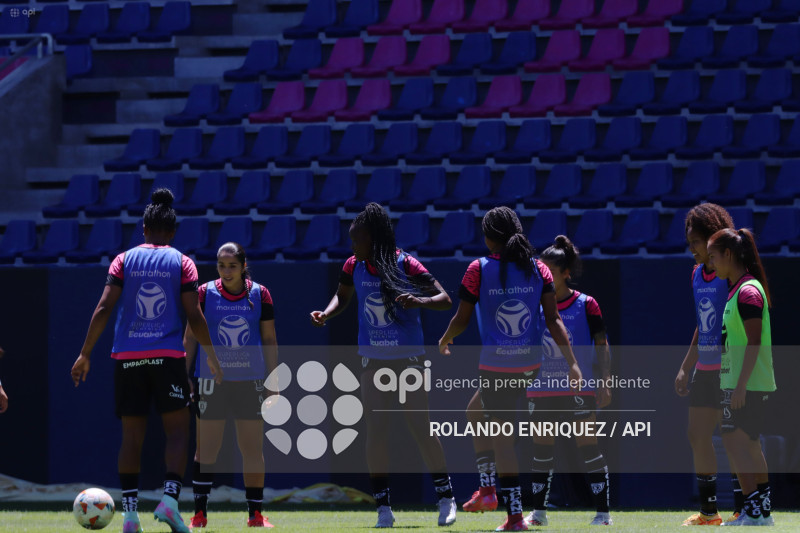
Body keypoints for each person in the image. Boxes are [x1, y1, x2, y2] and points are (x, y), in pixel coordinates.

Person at [71, 189, 223, 533]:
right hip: (168, 357)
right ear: (172, 232)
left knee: (131, 436)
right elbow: (194, 316)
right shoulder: (182, 262)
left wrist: (84, 354)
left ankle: (129, 516)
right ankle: (169, 502)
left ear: (143, 228)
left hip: (128, 359)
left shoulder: (122, 260)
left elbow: (104, 308)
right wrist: (212, 356)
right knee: (179, 431)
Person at [309, 203, 457, 529]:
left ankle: (446, 498)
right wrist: (327, 312)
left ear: (373, 240)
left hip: (409, 361)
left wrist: (420, 300)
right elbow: (342, 297)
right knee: (376, 432)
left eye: (357, 241)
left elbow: (445, 299)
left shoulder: (406, 264)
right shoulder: (353, 265)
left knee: (420, 428)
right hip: (373, 361)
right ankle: (383, 509)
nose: (352, 248)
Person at [438, 210, 582, 532]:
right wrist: (572, 362)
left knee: (501, 438)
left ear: (490, 238)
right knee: (475, 412)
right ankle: (488, 490)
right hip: (530, 365)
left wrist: (446, 338)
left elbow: (461, 319)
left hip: (496, 366)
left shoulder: (478, 269)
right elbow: (553, 319)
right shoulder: (539, 268)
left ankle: (514, 516)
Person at [184, 242, 278, 529]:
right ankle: (199, 515)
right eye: (221, 265)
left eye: (232, 265)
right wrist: (185, 374)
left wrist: (274, 381)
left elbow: (270, 340)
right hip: (211, 382)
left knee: (252, 449)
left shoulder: (260, 294)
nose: (226, 271)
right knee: (206, 451)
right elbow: (190, 337)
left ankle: (255, 516)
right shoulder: (203, 293)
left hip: (250, 382)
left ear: (243, 265)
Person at [523, 236, 612, 527]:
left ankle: (603, 514)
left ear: (565, 273)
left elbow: (602, 344)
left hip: (579, 388)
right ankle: (538, 514)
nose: (542, 277)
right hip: (541, 390)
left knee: (588, 447)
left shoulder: (587, 304)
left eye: (548, 271)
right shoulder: (533, 306)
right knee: (541, 452)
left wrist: (605, 380)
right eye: (539, 272)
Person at [674, 204, 741, 526]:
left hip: (730, 369)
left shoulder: (733, 275)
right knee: (697, 435)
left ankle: (745, 507)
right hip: (705, 369)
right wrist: (686, 366)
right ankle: (709, 513)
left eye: (696, 243)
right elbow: (704, 324)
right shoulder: (696, 274)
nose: (693, 251)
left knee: (737, 438)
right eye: (690, 244)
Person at [707, 228, 776, 526]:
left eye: (713, 256)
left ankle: (753, 510)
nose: (710, 263)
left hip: (745, 385)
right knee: (747, 444)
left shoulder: (748, 291)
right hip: (738, 383)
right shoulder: (738, 289)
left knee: (738, 444)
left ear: (729, 254)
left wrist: (740, 386)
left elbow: (754, 342)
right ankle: (761, 513)